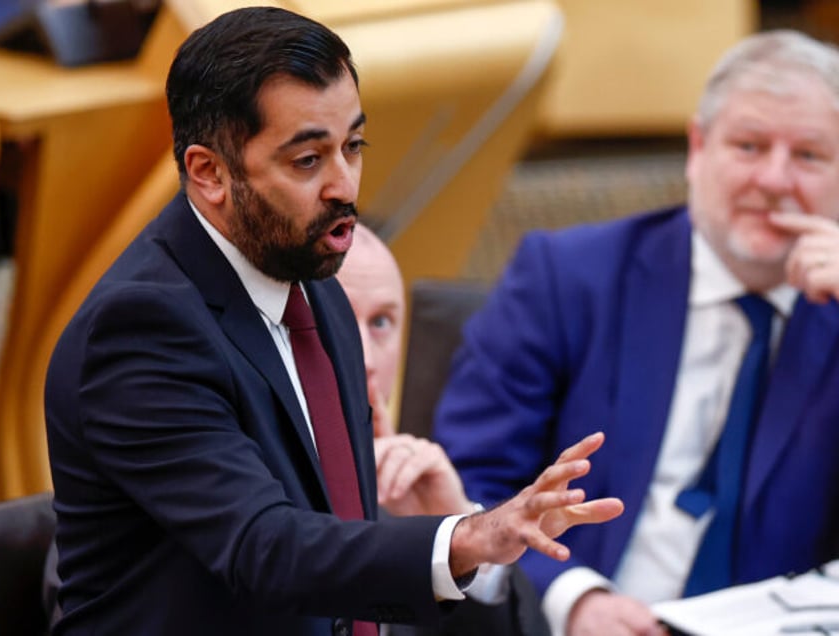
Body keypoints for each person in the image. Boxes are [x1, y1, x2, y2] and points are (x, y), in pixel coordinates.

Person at [43, 7, 624, 635]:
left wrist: (461, 531)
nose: (344, 186)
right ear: (209, 173)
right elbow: (266, 546)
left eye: (352, 146)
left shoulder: (312, 287)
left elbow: (342, 555)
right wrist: (467, 538)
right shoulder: (139, 330)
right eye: (307, 161)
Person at [433, 28, 839, 636]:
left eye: (808, 155)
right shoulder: (568, 277)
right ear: (698, 148)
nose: (776, 181)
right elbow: (462, 481)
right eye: (749, 146)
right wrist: (573, 600)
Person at [337, 223, 550, 636]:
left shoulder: (406, 493)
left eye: (381, 323)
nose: (365, 359)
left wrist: (461, 540)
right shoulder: (229, 475)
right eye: (336, 319)